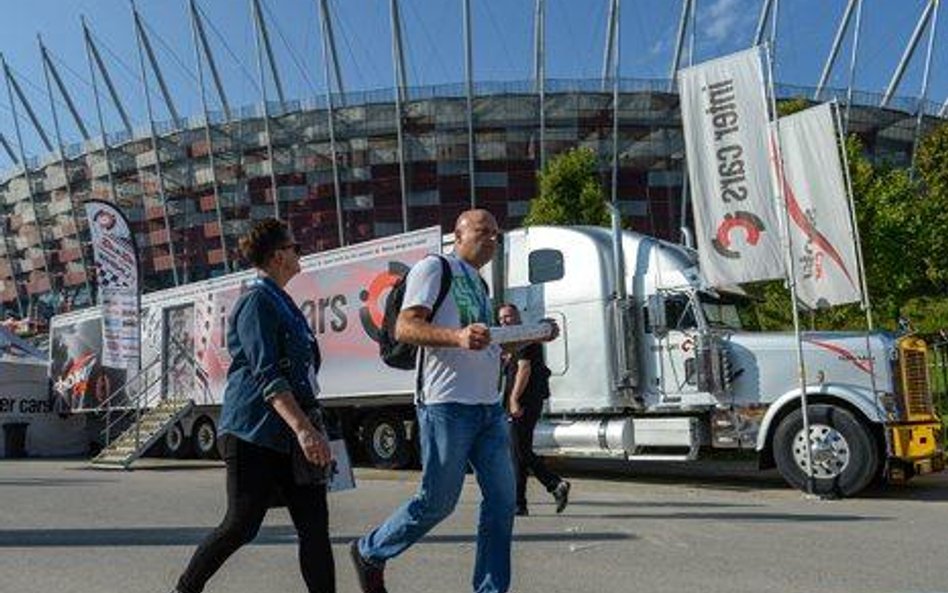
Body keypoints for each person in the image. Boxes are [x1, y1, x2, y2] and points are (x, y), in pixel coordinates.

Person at [350, 209, 557, 593]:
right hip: (446, 405)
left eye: (496, 234)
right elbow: (406, 327)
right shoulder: (434, 268)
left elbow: (488, 345)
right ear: (458, 235)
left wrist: (534, 335)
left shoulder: (478, 284)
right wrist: (457, 336)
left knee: (502, 502)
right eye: (483, 232)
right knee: (438, 502)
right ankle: (371, 550)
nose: (492, 239)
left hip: (487, 409)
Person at [172, 218, 336, 593]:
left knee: (314, 526)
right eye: (296, 248)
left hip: (294, 431)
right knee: (241, 525)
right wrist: (304, 430)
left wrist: (311, 426)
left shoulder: (284, 302)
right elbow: (267, 375)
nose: (300, 254)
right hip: (254, 432)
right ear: (279, 256)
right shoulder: (257, 302)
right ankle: (185, 590)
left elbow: (301, 372)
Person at [497, 303, 570, 517]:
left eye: (508, 316)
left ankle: (554, 484)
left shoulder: (525, 339)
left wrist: (513, 399)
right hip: (523, 401)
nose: (504, 321)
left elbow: (524, 369)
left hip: (524, 401)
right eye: (501, 318)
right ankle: (520, 504)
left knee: (519, 451)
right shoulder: (514, 341)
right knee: (518, 452)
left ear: (518, 316)